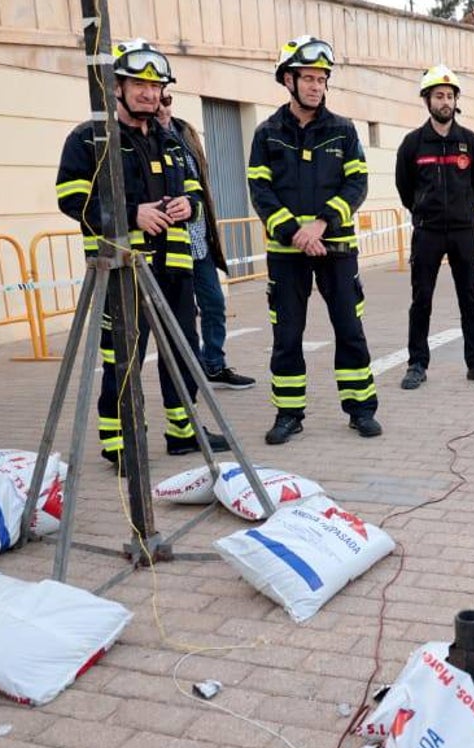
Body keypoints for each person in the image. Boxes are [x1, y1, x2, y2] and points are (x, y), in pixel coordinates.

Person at [56, 38, 230, 471]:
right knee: (123, 358)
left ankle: (183, 432)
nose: (150, 93)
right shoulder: (91, 138)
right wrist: (131, 215)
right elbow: (71, 197)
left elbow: (191, 188)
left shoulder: (170, 140)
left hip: (173, 269)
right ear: (115, 86)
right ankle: (121, 443)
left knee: (182, 351)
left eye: (156, 86)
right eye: (140, 85)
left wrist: (188, 204)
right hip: (123, 270)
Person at [247, 35, 381, 445]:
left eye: (321, 79)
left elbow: (357, 182)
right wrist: (295, 233)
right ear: (288, 80)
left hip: (336, 248)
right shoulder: (267, 133)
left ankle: (360, 409)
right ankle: (289, 414)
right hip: (286, 254)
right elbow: (261, 192)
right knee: (287, 335)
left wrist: (321, 224)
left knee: (349, 329)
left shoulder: (343, 130)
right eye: (308, 78)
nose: (316, 86)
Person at [394, 65, 474, 391]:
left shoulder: (470, 142)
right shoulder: (412, 144)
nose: (445, 101)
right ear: (427, 100)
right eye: (438, 95)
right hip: (427, 231)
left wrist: (463, 210)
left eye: (450, 96)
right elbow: (404, 188)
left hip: (463, 232)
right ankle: (416, 364)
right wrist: (424, 210)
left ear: (456, 101)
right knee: (421, 299)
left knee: (470, 299)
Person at [155, 94, 255, 390]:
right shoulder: (145, 138)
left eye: (166, 99)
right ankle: (189, 373)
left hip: (199, 240)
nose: (162, 106)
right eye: (157, 101)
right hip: (171, 245)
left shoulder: (185, 131)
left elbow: (199, 183)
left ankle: (213, 364)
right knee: (181, 315)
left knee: (214, 303)